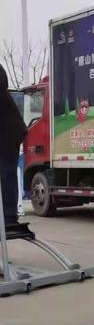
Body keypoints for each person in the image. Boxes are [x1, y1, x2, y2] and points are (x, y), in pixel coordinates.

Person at [0, 64, 27, 225]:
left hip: (8, 132)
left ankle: (9, 216)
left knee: (6, 171)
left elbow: (3, 80)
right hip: (6, 130)